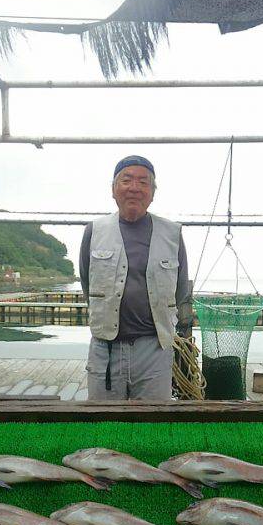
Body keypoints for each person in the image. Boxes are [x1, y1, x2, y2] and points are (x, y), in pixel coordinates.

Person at [79, 155, 190, 401]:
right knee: (103, 419)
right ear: (113, 190)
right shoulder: (94, 231)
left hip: (155, 348)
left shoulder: (172, 233)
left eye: (143, 182)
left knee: (153, 420)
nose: (134, 188)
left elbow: (181, 289)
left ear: (152, 193)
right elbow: (87, 282)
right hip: (105, 349)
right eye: (126, 180)